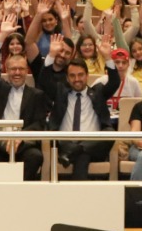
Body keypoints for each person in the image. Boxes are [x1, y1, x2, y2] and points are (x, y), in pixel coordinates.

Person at [34, 40, 121, 181]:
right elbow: (43, 81)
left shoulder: (98, 92)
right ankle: (76, 154)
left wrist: (108, 58)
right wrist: (51, 55)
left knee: (109, 133)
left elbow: (115, 82)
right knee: (82, 155)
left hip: (93, 144)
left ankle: (75, 151)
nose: (77, 79)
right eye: (72, 76)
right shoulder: (60, 92)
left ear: (87, 76)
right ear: (67, 78)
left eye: (80, 75)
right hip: (64, 144)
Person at [0, 28, 49, 181]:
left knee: (35, 156)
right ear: (6, 70)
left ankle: (19, 193)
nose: (17, 72)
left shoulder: (36, 95)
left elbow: (39, 123)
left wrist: (21, 137)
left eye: (21, 69)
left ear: (26, 70)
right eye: (13, 69)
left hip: (22, 144)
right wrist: (2, 36)